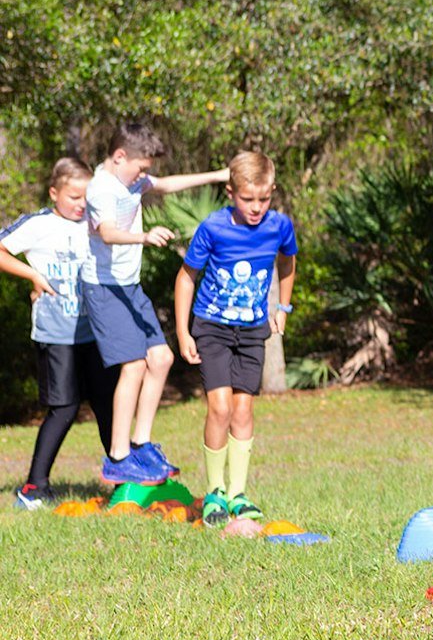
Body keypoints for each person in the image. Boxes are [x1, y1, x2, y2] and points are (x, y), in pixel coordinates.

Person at [82, 123, 229, 486]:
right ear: (119, 156)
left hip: (129, 286)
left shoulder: (132, 179)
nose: (144, 175)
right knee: (133, 366)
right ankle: (117, 457)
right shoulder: (101, 187)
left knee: (161, 358)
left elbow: (166, 184)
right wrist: (144, 237)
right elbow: (108, 233)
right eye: (140, 167)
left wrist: (217, 175)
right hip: (104, 287)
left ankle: (141, 444)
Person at [173, 151, 297, 527]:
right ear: (231, 192)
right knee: (221, 408)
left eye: (263, 198)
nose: (256, 207)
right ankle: (215, 492)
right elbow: (185, 278)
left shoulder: (280, 226)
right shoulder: (213, 228)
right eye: (248, 199)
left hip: (253, 329)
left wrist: (283, 308)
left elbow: (288, 262)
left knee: (243, 410)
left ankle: (238, 494)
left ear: (272, 191)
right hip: (211, 326)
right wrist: (182, 331)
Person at [0, 158, 119, 508]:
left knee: (107, 406)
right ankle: (34, 488)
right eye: (73, 197)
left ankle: (125, 481)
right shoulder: (38, 224)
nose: (80, 204)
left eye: (86, 197)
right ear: (55, 193)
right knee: (64, 407)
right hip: (56, 334)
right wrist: (33, 277)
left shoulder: (94, 224)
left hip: (93, 334)